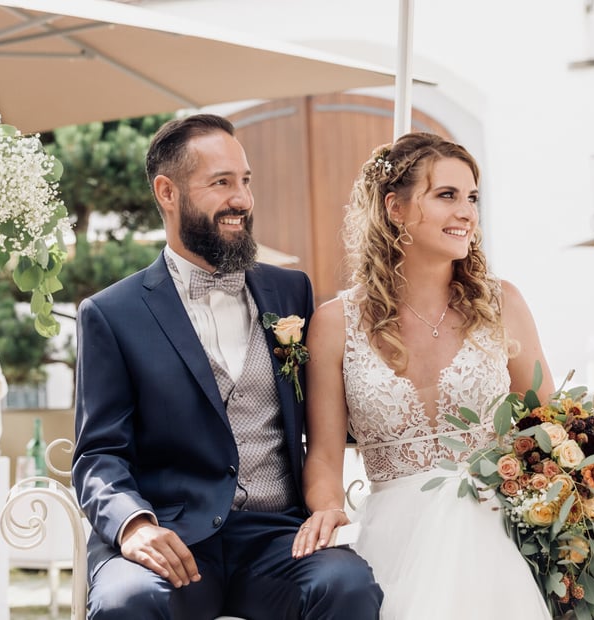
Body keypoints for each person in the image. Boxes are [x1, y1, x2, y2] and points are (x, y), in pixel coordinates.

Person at [72, 113, 383, 620]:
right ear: (167, 192)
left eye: (245, 181)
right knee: (126, 601)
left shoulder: (291, 292)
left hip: (276, 538)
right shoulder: (111, 313)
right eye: (221, 183)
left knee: (345, 585)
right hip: (170, 535)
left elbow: (331, 412)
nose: (242, 199)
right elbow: (98, 454)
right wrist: (134, 525)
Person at [292, 133, 554, 618]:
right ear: (395, 208)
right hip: (395, 537)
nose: (467, 213)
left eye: (472, 198)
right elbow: (324, 456)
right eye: (447, 195)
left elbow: (550, 427)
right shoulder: (335, 323)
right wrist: (328, 508)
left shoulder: (503, 304)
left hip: (496, 532)